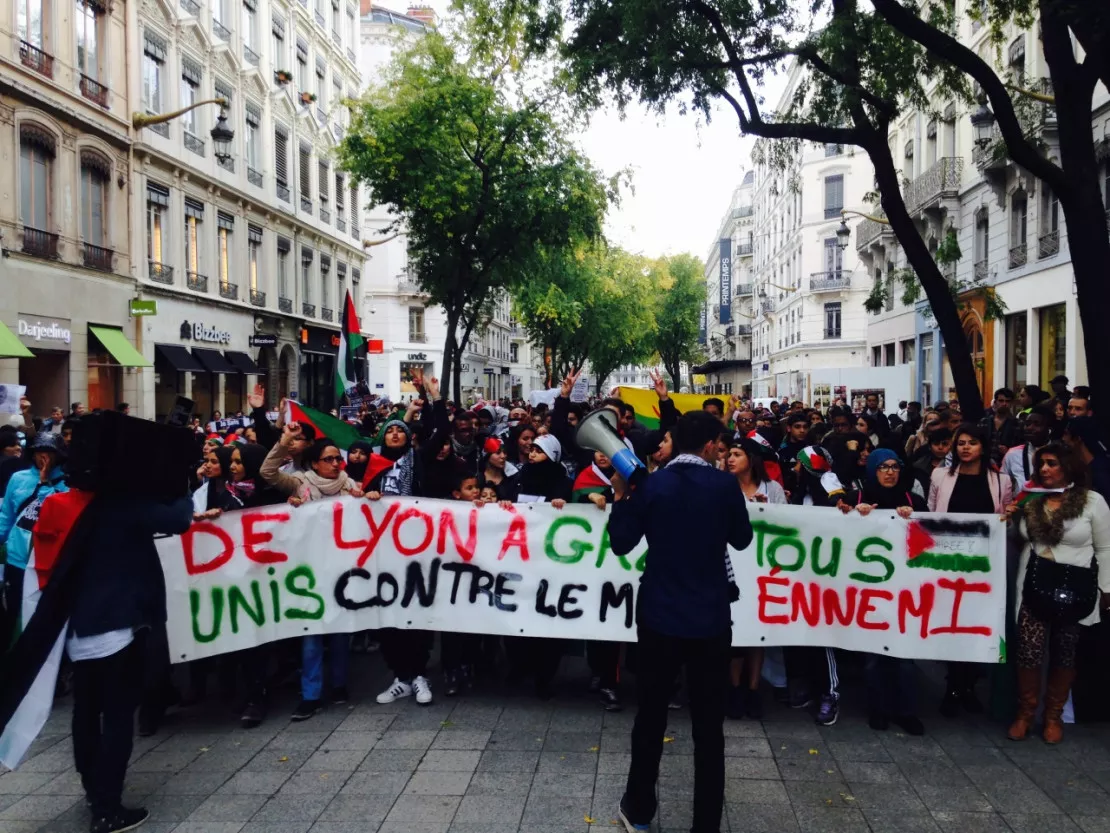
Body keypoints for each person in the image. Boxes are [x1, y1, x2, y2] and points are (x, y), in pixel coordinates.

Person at [608, 411, 751, 833]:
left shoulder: (652, 483)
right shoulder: (724, 485)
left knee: (650, 717)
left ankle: (638, 811)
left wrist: (621, 496)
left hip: (658, 617)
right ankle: (705, 824)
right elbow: (741, 539)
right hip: (709, 620)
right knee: (709, 727)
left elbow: (621, 543)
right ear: (709, 446)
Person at [1005, 443, 1110, 743]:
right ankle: (1026, 714)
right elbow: (1019, 539)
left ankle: (1053, 717)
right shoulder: (1032, 501)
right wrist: (1012, 517)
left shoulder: (1092, 501)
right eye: (1041, 464)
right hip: (1034, 583)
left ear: (1068, 466)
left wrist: (1106, 589)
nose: (1045, 469)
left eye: (1051, 463)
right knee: (1028, 650)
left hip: (1076, 586)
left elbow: (1105, 548)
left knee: (1065, 651)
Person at [260, 426, 364, 720]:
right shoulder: (299, 484)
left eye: (337, 460)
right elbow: (268, 473)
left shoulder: (349, 485)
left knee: (341, 631)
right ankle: (311, 695)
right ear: (315, 463)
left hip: (342, 569)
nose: (335, 464)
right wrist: (283, 443)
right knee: (311, 634)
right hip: (309, 571)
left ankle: (340, 685)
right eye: (328, 459)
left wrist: (368, 499)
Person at [927, 423, 1012, 716]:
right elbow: (930, 512)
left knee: (977, 624)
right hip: (947, 563)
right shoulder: (940, 475)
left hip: (983, 566)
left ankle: (969, 685)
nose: (965, 447)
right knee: (952, 623)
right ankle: (953, 686)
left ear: (983, 447)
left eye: (972, 442)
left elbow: (1006, 520)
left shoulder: (1001, 481)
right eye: (960, 442)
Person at [841, 449, 927, 735]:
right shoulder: (857, 499)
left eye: (895, 467)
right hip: (869, 591)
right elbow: (840, 537)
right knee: (874, 656)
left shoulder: (914, 501)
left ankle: (905, 711)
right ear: (872, 471)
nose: (890, 472)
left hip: (905, 591)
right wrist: (855, 516)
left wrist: (913, 519)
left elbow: (928, 541)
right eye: (883, 467)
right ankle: (877, 709)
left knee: (904, 657)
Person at [724, 438, 785, 720]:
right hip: (732, 567)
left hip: (763, 569)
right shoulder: (723, 487)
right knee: (735, 630)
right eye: (728, 455)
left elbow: (787, 524)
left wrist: (767, 511)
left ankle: (753, 688)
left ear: (751, 458)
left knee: (757, 631)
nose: (730, 459)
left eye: (736, 454)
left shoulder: (773, 489)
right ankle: (734, 690)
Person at [0, 433, 68, 650]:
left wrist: (45, 481)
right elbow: (6, 516)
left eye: (49, 453)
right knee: (14, 614)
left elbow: (54, 512)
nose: (44, 457)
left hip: (48, 565)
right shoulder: (18, 479)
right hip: (18, 560)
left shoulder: (67, 483)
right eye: (40, 452)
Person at [1000, 405, 1054, 493]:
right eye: (1027, 424)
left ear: (1049, 429)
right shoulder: (1013, 454)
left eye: (1037, 424)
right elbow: (1002, 485)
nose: (1030, 428)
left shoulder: (1060, 454)